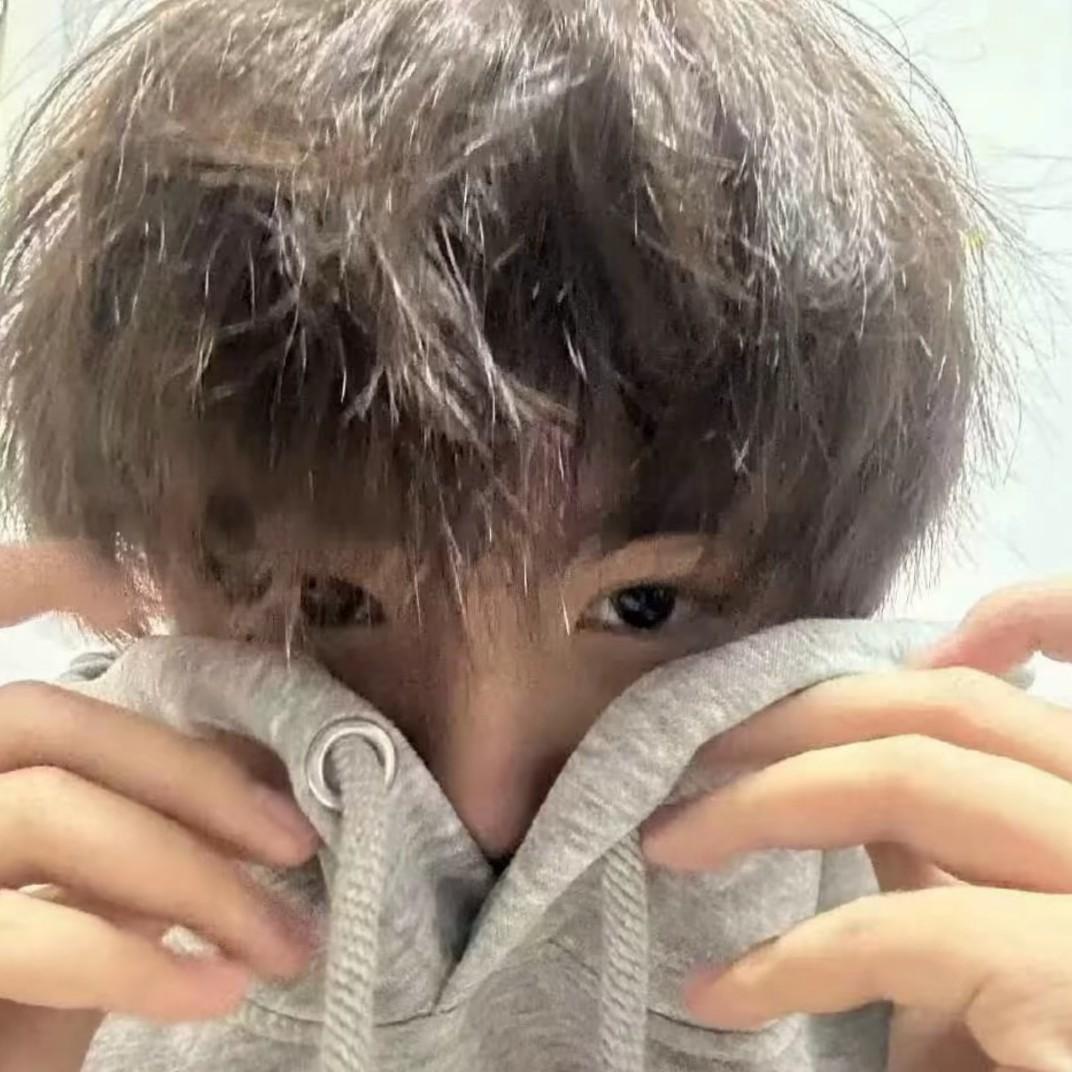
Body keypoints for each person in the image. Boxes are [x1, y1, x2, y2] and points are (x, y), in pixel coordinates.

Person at [0, 1, 1068, 1069]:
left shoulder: (993, 927)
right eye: (329, 601)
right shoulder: (44, 928)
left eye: (643, 606)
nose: (483, 806)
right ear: (140, 578)